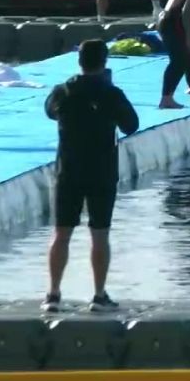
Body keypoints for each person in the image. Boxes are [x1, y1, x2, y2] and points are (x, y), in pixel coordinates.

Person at [43, 39, 140, 313]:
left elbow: (49, 112)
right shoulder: (111, 94)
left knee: (61, 233)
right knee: (100, 234)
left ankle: (53, 294)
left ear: (79, 61)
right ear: (105, 62)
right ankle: (98, 295)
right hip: (101, 171)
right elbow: (131, 125)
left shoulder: (63, 91)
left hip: (68, 171)